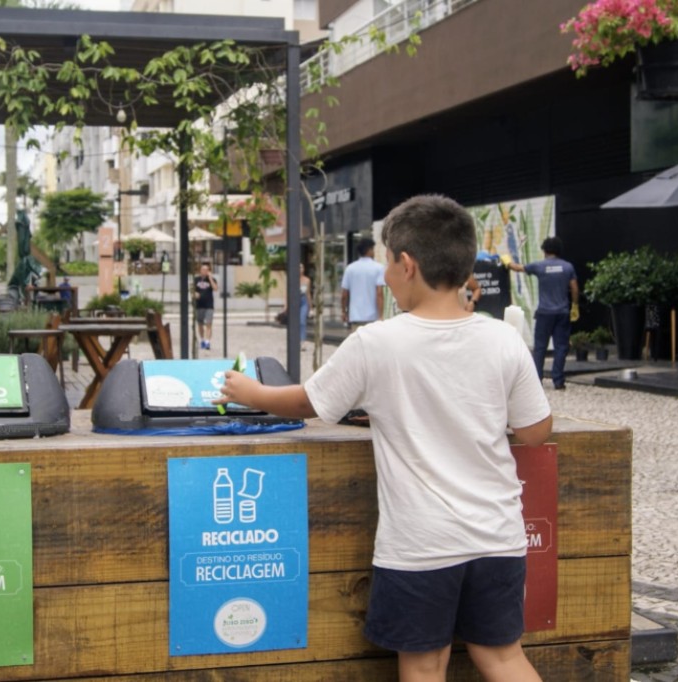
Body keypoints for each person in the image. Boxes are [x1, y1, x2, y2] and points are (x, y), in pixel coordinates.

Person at [217, 194, 551, 682]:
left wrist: (251, 392)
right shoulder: (503, 338)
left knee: (423, 667)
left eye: (386, 262)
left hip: (421, 544)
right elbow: (535, 430)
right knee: (501, 656)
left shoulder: (377, 342)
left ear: (407, 264)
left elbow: (311, 402)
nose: (385, 275)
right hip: (498, 537)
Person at [506, 236, 579, 390]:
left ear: (545, 250)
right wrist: (575, 305)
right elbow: (574, 288)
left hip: (544, 313)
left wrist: (507, 262)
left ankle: (536, 380)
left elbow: (519, 268)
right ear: (559, 250)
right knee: (561, 347)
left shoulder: (539, 266)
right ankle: (558, 381)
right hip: (562, 312)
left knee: (540, 347)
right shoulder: (567, 267)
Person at [341, 237, 386, 329]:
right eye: (373, 249)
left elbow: (344, 295)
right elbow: (379, 293)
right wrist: (381, 316)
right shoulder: (378, 268)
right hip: (373, 318)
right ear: (369, 250)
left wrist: (344, 312)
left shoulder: (350, 268)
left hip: (355, 316)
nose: (373, 252)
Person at [193, 263, 218, 350]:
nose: (205, 271)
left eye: (207, 270)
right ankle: (202, 340)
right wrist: (194, 294)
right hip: (199, 305)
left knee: (208, 323)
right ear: (200, 270)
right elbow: (192, 290)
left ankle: (207, 342)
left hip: (209, 305)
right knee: (200, 324)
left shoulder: (212, 279)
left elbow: (215, 288)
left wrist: (210, 278)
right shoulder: (196, 280)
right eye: (203, 269)